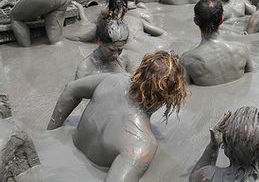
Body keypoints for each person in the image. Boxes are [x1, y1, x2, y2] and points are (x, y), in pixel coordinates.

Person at [47, 50, 189, 181]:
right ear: (170, 98)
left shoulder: (112, 79)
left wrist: (50, 132)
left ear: (140, 71)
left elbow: (70, 88)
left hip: (62, 154)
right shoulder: (142, 145)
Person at [180, 0, 253, 86]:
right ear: (222, 19)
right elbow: (251, 75)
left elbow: (184, 91)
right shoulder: (242, 49)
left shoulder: (187, 60)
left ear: (196, 21)